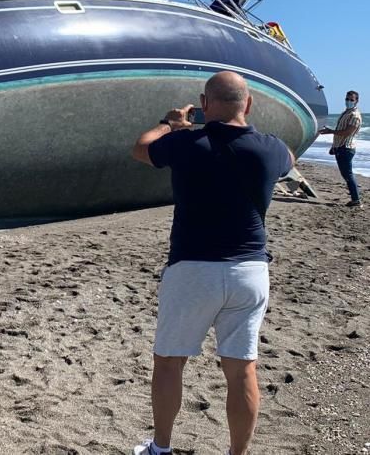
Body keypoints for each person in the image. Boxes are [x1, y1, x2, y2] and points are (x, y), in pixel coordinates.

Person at [129, 71, 293, 455]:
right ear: (249, 105)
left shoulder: (184, 143)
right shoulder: (271, 147)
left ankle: (161, 448)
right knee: (242, 370)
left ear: (204, 105)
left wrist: (170, 124)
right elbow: (285, 161)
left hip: (193, 268)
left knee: (170, 362)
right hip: (250, 270)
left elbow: (141, 147)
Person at [320, 90, 362, 208]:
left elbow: (347, 132)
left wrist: (330, 131)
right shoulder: (346, 112)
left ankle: (356, 200)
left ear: (356, 101)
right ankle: (356, 196)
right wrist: (334, 146)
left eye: (351, 100)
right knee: (346, 175)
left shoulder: (355, 116)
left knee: (348, 175)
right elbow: (341, 130)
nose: (348, 101)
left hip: (346, 148)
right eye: (347, 99)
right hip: (340, 147)